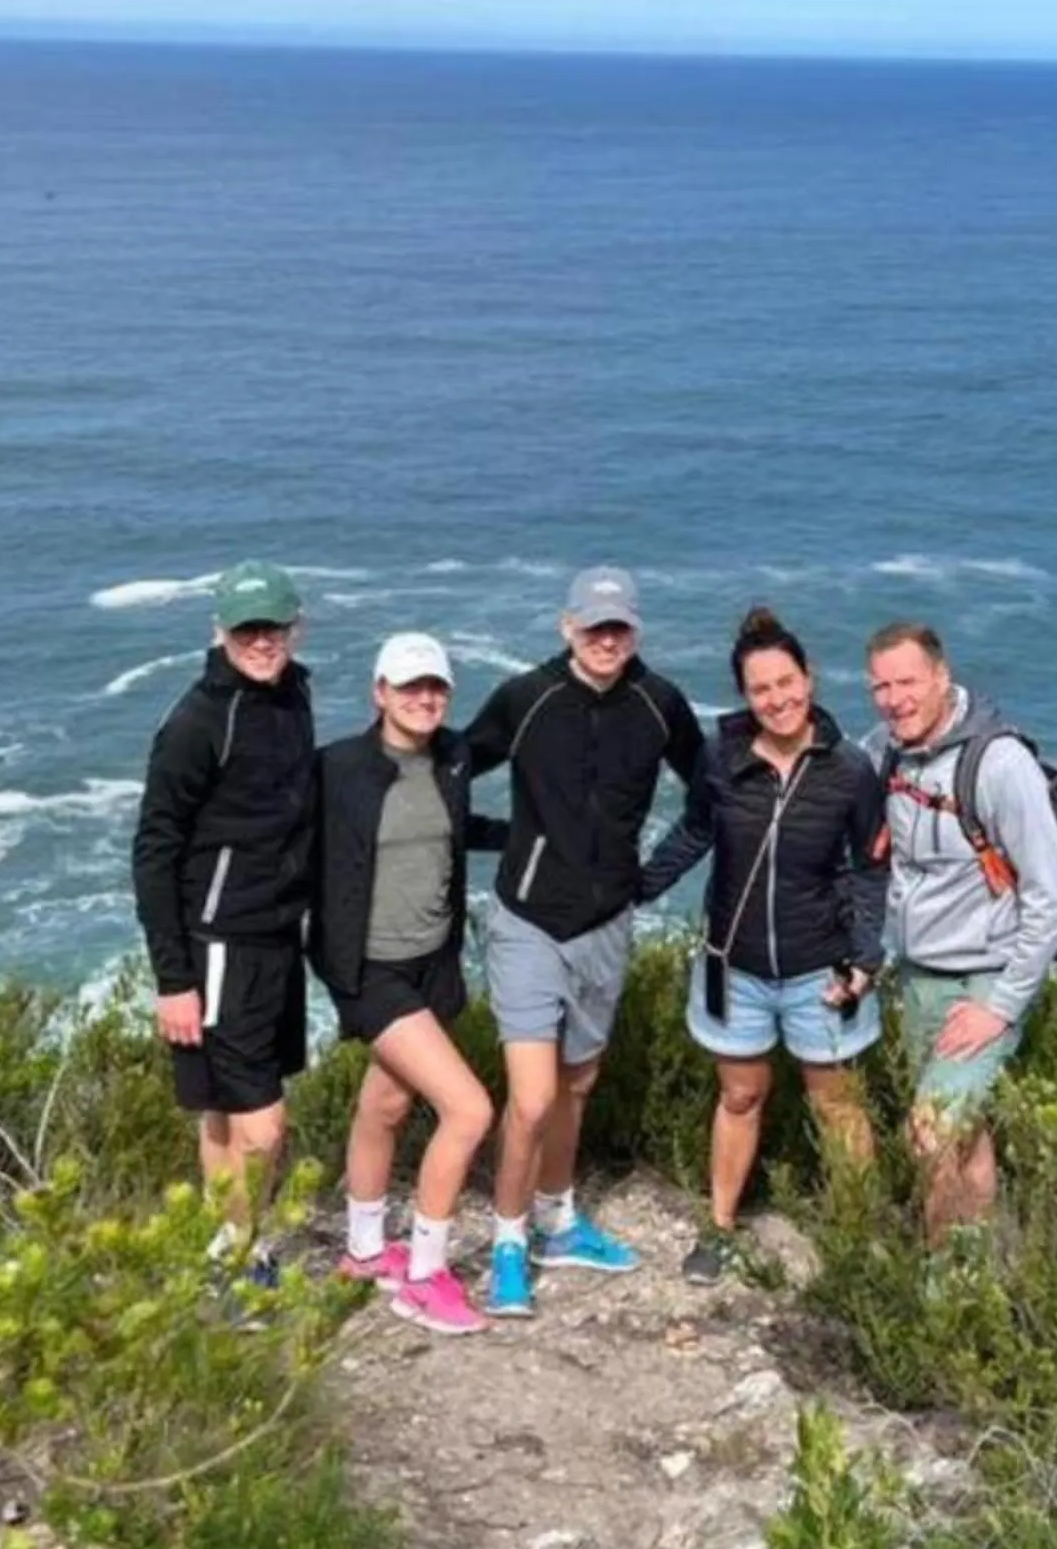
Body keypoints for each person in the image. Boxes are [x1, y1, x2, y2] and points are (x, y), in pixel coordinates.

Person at [463, 566, 706, 1318]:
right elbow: (448, 770)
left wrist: (652, 877)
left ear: (635, 631)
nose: (606, 639)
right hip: (528, 919)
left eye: (619, 627)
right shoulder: (525, 698)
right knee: (533, 1097)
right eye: (594, 626)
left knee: (575, 1084)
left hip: (607, 920)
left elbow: (710, 795)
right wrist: (496, 840)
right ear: (567, 627)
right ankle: (508, 1245)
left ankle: (558, 1220)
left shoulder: (660, 703)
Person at [638, 607, 886, 1286]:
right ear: (745, 696)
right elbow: (695, 833)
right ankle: (719, 1227)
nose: (777, 700)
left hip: (823, 970)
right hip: (734, 968)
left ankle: (859, 1237)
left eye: (786, 683)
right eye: (761, 689)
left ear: (809, 678)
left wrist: (865, 957)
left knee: (836, 1104)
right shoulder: (721, 758)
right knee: (740, 1096)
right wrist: (636, 888)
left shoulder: (850, 770)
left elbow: (870, 869)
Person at [308, 633, 501, 1337]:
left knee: (386, 1103)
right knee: (469, 1110)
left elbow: (453, 831)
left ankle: (364, 1250)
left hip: (431, 963)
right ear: (380, 693)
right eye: (410, 686)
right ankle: (424, 1277)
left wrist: (537, 838)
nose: (425, 698)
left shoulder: (452, 759)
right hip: (369, 970)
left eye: (436, 687)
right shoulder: (337, 768)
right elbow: (285, 841)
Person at [130, 561, 319, 1268]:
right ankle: (243, 1254)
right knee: (264, 1126)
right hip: (220, 944)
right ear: (220, 631)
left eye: (273, 627)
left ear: (296, 627)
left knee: (220, 1104)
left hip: (278, 935)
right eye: (247, 630)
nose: (262, 642)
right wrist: (174, 980)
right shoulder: (197, 723)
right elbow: (154, 851)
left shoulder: (294, 693)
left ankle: (223, 1250)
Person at [864, 620, 1057, 1237]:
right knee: (964, 1133)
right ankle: (973, 1267)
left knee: (929, 1133)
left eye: (907, 682)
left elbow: (1053, 897)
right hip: (918, 976)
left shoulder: (1000, 764)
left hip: (985, 978)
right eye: (881, 687)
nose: (895, 699)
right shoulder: (884, 751)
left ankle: (943, 1276)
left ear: (941, 677)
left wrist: (1001, 1007)